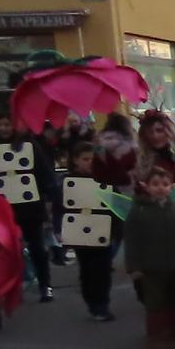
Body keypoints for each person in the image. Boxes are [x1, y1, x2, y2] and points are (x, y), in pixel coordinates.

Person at [122, 135, 175, 349]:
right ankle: (157, 336)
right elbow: (132, 241)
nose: (160, 188)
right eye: (155, 184)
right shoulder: (138, 211)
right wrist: (134, 267)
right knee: (155, 303)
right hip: (151, 268)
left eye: (164, 184)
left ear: (172, 186)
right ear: (146, 186)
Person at [0, 113, 57, 304]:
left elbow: (44, 173)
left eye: (7, 124)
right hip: (2, 207)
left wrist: (49, 198)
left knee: (37, 246)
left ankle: (44, 284)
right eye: (0, 124)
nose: (3, 128)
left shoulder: (30, 147)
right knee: (7, 249)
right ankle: (13, 286)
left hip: (30, 205)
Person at [61, 136, 118, 322]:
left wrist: (117, 229)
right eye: (85, 159)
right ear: (76, 160)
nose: (90, 163)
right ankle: (92, 301)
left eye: (93, 159)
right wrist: (60, 229)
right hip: (79, 232)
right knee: (86, 270)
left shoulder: (106, 179)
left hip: (102, 230)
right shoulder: (68, 181)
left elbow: (115, 204)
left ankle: (102, 304)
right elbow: (60, 207)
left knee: (102, 269)